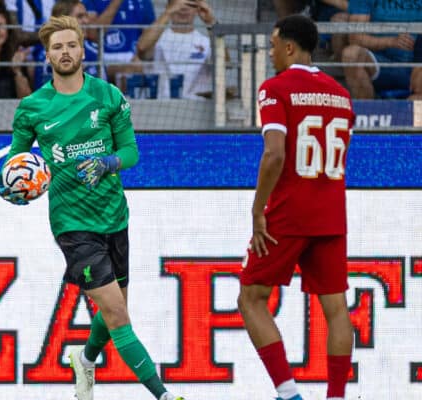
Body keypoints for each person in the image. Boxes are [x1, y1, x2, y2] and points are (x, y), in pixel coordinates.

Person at [0, 15, 184, 400]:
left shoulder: (109, 96)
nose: (65, 53)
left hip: (114, 215)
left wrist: (108, 163)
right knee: (118, 315)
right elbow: (15, 163)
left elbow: (131, 151)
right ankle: (164, 395)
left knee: (115, 310)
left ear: (82, 49)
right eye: (57, 47)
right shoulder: (32, 108)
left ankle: (85, 358)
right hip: (72, 223)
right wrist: (13, 187)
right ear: (47, 56)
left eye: (71, 45)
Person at [237, 15, 354, 400]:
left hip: (288, 212)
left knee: (251, 298)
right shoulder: (341, 93)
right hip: (332, 212)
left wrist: (258, 210)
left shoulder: (275, 88)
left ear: (289, 47)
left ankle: (288, 393)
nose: (270, 52)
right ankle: (336, 395)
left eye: (273, 45)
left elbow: (274, 154)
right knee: (336, 309)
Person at [341, 0, 422, 99]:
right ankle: (368, 111)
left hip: (416, 65)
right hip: (379, 63)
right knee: (350, 54)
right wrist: (390, 42)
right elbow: (355, 37)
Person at [135, 0, 216, 99]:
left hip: (196, 106)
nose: (183, 9)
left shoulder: (207, 42)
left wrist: (211, 22)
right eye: (178, 3)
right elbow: (142, 49)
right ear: (168, 6)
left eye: (189, 4)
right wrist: (167, 13)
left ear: (197, 9)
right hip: (161, 106)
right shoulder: (156, 40)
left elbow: (225, 63)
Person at [30, 0, 104, 88]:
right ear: (63, 21)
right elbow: (43, 98)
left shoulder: (95, 50)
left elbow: (104, 93)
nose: (86, 21)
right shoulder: (46, 56)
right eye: (80, 17)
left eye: (86, 16)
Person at [82, 0, 155, 82]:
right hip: (100, 60)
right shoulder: (89, 2)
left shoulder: (144, 2)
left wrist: (139, 59)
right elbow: (93, 34)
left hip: (134, 62)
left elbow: (149, 50)